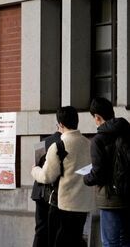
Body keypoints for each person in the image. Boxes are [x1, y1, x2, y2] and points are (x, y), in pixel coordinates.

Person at [31, 106, 94, 247]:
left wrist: (34, 170)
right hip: (83, 203)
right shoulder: (88, 143)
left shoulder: (59, 146)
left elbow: (47, 176)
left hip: (63, 205)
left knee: (59, 241)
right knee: (76, 239)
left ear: (60, 124)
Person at [84, 97, 130, 247]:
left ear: (97, 117)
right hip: (127, 195)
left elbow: (98, 173)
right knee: (126, 241)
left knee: (110, 242)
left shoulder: (98, 139)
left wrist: (86, 178)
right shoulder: (127, 132)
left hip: (110, 199)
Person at [30, 131, 61, 247]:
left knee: (40, 228)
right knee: (55, 229)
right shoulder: (65, 142)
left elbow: (36, 164)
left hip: (39, 191)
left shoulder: (43, 142)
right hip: (54, 192)